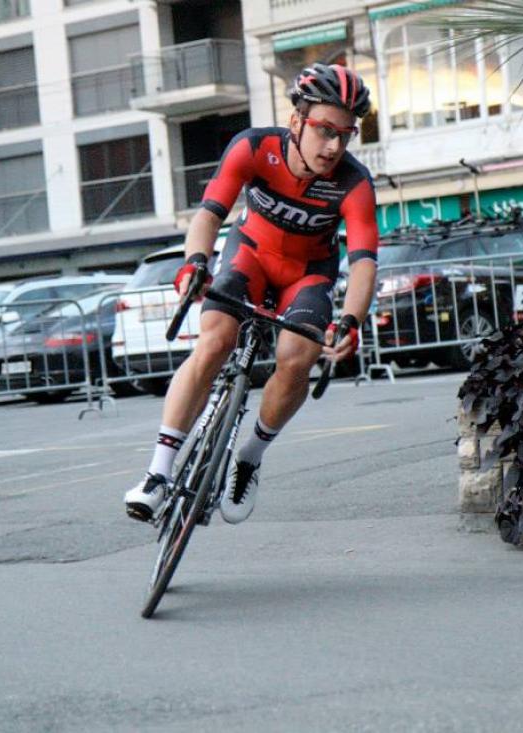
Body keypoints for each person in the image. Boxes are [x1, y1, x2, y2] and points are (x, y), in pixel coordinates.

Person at [124, 62, 379, 525]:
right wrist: (194, 263)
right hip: (250, 258)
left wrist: (351, 320)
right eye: (325, 130)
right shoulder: (254, 147)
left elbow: (363, 261)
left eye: (346, 135)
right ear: (296, 120)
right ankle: (158, 472)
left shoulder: (354, 182)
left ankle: (250, 457)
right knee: (215, 340)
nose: (334, 147)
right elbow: (209, 214)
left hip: (307, 275)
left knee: (297, 356)